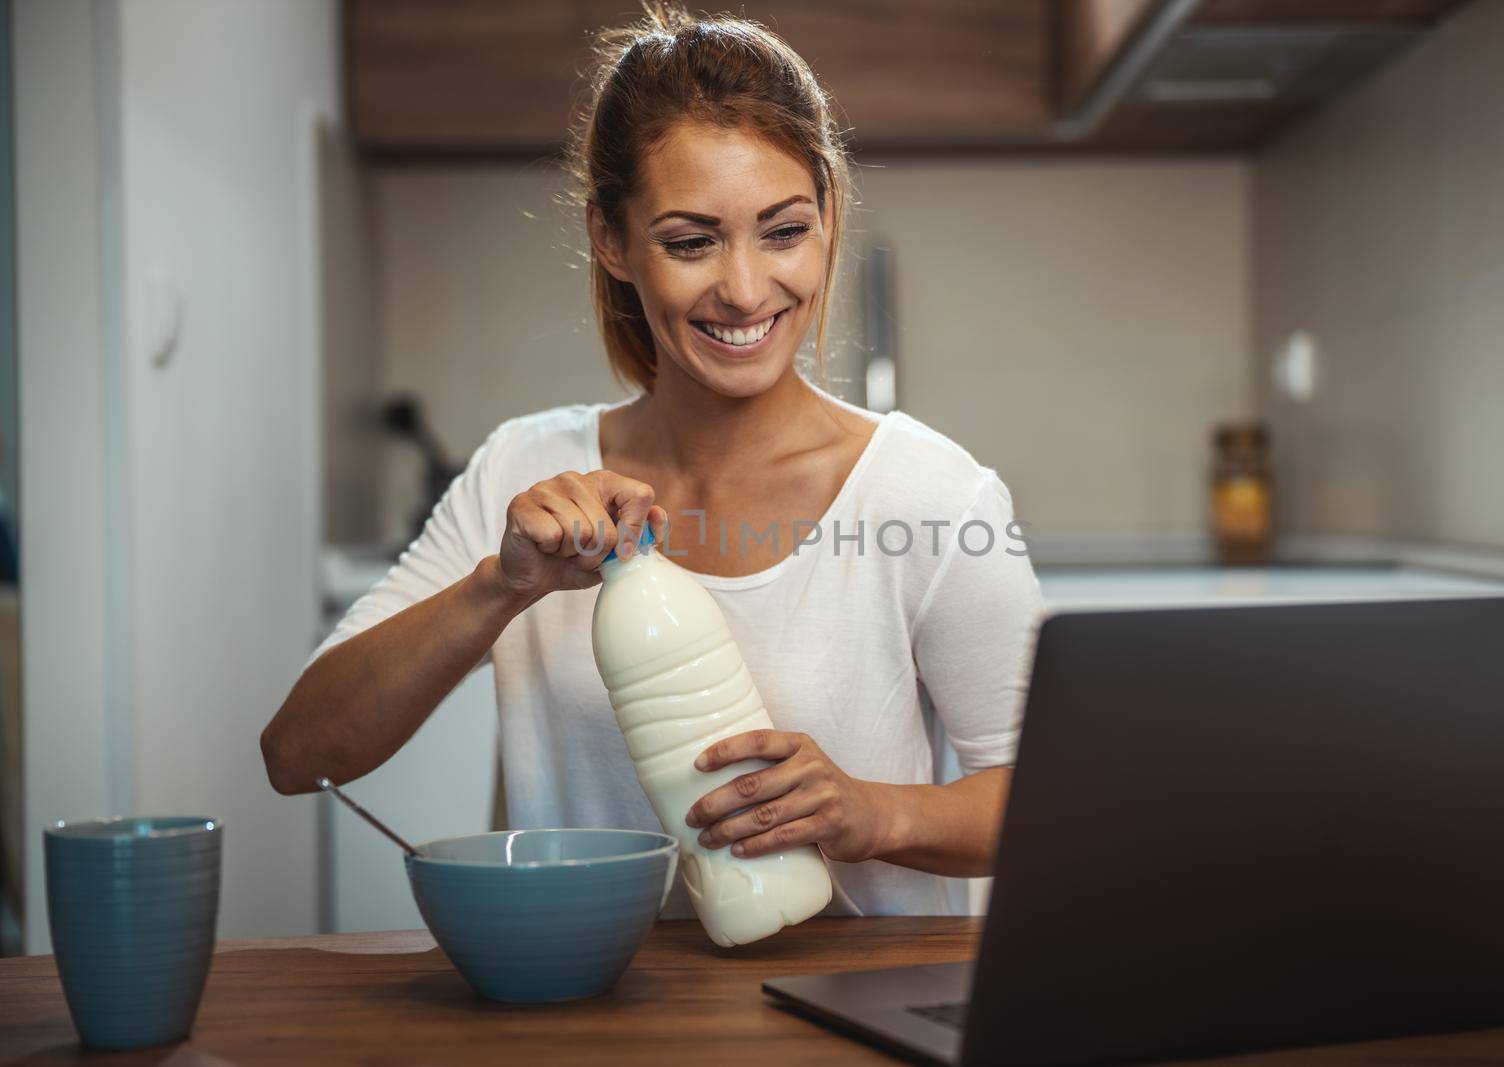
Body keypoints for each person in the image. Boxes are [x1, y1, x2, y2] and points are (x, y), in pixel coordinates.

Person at [262, 3, 1043, 918]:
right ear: (612, 239)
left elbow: (1063, 800)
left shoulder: (934, 495)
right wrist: (498, 588)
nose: (747, 288)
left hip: (847, 1019)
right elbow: (299, 754)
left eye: (784, 230)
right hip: (578, 1007)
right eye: (690, 241)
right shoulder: (525, 472)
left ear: (828, 214)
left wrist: (873, 812)